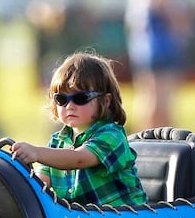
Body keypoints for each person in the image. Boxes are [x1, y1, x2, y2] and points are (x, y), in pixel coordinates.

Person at [11, 51, 147, 208]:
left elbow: (79, 158)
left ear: (106, 100)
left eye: (80, 98)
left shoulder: (112, 136)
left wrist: (36, 152)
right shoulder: (56, 143)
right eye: (61, 99)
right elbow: (41, 186)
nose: (69, 106)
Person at [125, 0, 191, 129]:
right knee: (157, 98)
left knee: (156, 97)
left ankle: (156, 130)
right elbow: (179, 23)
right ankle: (152, 130)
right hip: (158, 53)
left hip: (151, 52)